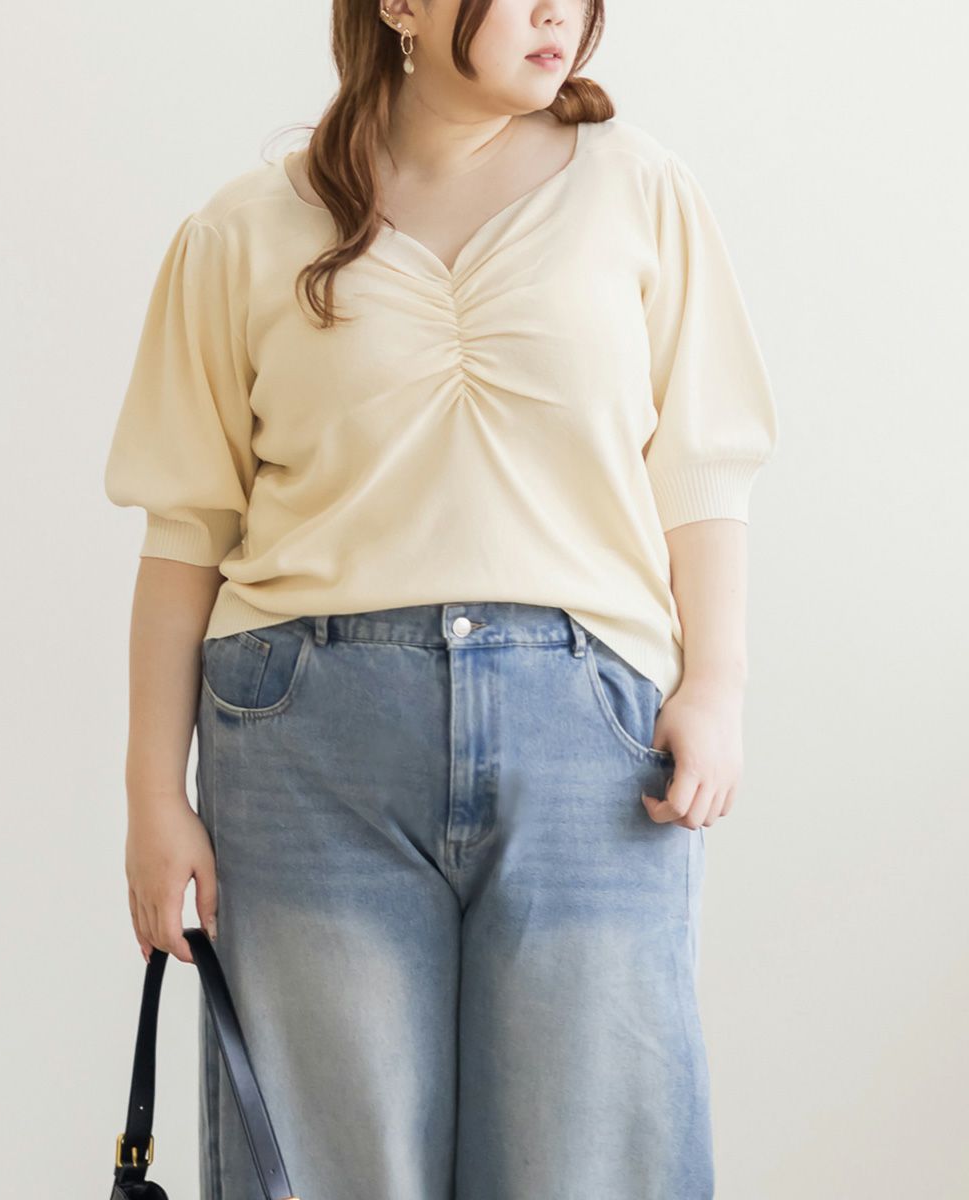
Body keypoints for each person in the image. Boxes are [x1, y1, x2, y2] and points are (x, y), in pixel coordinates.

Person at [103, 2, 778, 1197]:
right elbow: (184, 533)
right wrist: (154, 798)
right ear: (401, 7)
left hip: (593, 749)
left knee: (590, 1161)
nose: (557, 12)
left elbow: (703, 470)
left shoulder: (641, 192)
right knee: (328, 1164)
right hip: (306, 749)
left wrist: (716, 685)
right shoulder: (243, 229)